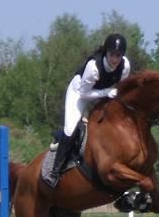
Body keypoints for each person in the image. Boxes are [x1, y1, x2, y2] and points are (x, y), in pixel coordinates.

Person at [47, 33, 131, 187]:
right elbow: (83, 93)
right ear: (106, 52)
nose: (115, 59)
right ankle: (55, 171)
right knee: (71, 129)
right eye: (112, 54)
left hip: (103, 92)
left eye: (118, 55)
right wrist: (106, 93)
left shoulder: (124, 66)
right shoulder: (94, 67)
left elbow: (121, 89)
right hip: (79, 93)